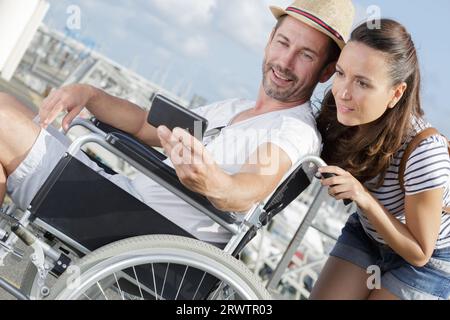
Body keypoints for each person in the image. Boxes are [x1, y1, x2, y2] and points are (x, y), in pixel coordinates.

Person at [0, 0, 354, 245]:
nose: (285, 61)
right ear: (268, 42)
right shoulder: (235, 109)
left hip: (132, 227)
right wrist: (89, 94)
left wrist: (214, 182)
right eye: (283, 43)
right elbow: (143, 125)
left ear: (325, 71)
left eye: (305, 55)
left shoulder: (292, 130)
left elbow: (250, 187)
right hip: (120, 199)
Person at [310, 19, 450, 300]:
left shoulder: (424, 150)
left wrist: (362, 196)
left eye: (362, 82)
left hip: (427, 260)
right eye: (340, 73)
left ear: (396, 93)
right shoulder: (342, 114)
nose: (343, 92)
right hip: (369, 235)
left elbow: (420, 251)